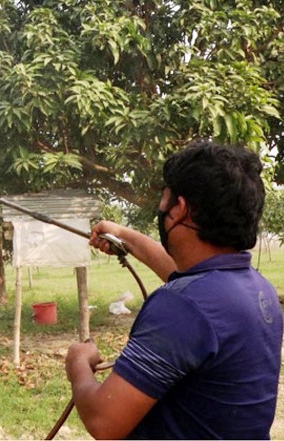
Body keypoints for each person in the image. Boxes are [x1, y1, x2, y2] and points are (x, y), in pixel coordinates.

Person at [65, 141, 283, 439]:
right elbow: (187, 281)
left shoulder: (182, 306)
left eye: (164, 198)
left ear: (179, 209)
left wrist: (78, 362)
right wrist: (125, 237)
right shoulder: (258, 290)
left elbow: (105, 421)